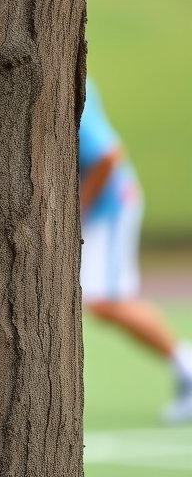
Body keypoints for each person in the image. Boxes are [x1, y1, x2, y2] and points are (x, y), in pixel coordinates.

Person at [80, 78, 192, 423]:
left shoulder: (68, 83)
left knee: (106, 300)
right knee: (102, 301)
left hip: (110, 207)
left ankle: (186, 365)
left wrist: (77, 209)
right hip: (100, 208)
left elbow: (107, 156)